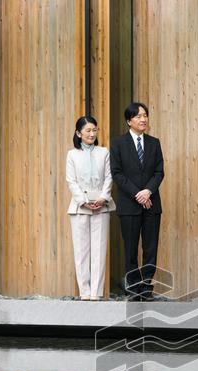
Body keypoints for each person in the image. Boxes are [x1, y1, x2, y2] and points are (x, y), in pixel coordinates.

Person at [111, 102, 165, 301]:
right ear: (129, 121)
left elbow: (159, 172)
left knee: (150, 248)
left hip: (152, 205)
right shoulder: (118, 144)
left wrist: (148, 191)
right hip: (129, 205)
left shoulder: (154, 143)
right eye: (138, 116)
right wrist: (138, 194)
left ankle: (147, 287)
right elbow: (117, 173)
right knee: (131, 249)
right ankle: (133, 288)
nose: (143, 119)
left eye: (145, 115)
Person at [65, 116, 114, 300]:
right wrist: (83, 200)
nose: (92, 134)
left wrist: (102, 198)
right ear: (78, 133)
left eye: (95, 130)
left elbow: (109, 177)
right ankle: (84, 293)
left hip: (102, 205)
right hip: (79, 207)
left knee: (99, 251)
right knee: (81, 251)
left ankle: (96, 293)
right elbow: (71, 180)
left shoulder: (104, 152)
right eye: (88, 131)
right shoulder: (72, 154)